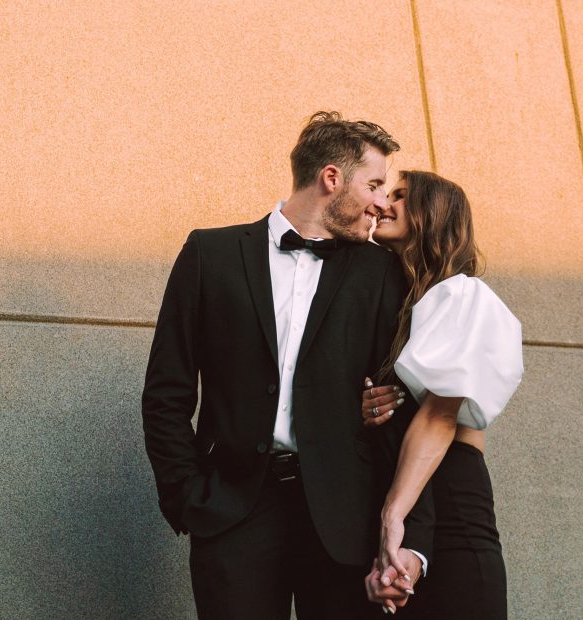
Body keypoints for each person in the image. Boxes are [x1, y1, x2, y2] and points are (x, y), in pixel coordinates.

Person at [141, 112, 434, 619]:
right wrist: (188, 496)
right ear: (331, 178)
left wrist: (412, 538)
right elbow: (167, 391)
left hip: (346, 520)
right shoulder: (211, 254)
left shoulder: (382, 273)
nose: (383, 203)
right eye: (375, 184)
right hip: (234, 514)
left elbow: (411, 412)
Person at [361, 170, 523, 617]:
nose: (383, 203)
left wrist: (392, 518)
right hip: (409, 499)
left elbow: (439, 417)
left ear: (432, 213)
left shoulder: (462, 295)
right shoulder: (402, 306)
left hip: (450, 507)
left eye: (400, 196)